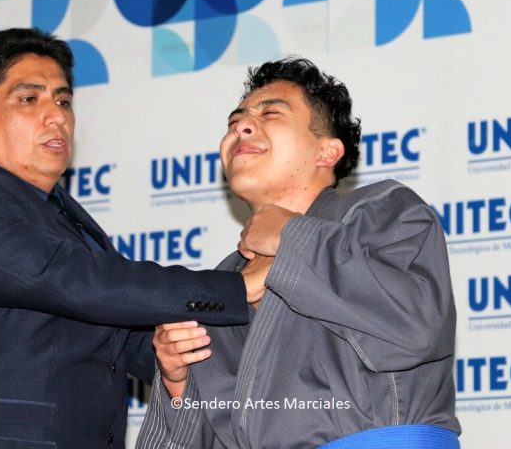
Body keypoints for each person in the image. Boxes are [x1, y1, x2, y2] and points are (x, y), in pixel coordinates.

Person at [0, 28, 270, 449]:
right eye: (29, 99)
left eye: (63, 101)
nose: (56, 116)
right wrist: (235, 288)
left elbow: (122, 336)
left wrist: (168, 356)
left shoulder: (72, 221)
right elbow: (78, 282)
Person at [137, 57, 461, 448]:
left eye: (271, 113)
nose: (241, 126)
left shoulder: (380, 210)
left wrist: (290, 234)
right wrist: (177, 385)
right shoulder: (224, 282)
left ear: (327, 152)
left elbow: (417, 326)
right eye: (234, 121)